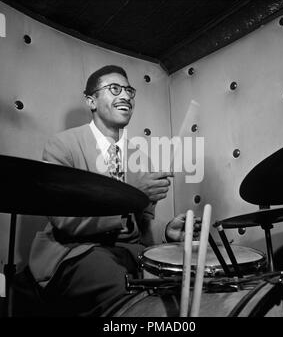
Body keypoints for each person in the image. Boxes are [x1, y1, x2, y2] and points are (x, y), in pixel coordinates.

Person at [28, 65, 201, 316]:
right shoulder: (62, 145)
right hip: (74, 251)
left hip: (129, 252)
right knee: (122, 288)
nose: (126, 96)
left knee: (186, 279)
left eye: (129, 90)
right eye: (115, 89)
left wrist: (166, 230)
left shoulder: (141, 159)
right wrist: (130, 194)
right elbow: (63, 218)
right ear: (91, 100)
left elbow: (141, 226)